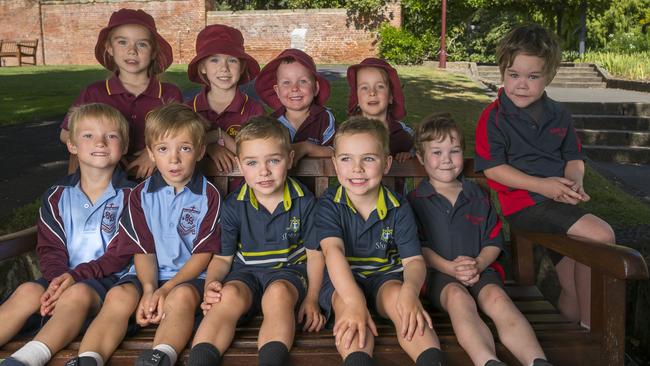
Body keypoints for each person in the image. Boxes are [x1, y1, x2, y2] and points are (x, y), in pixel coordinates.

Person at [474, 23, 615, 328]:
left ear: (549, 76)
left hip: (558, 204)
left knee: (572, 277)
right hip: (524, 205)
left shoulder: (559, 114)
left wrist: (574, 182)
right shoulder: (494, 117)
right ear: (502, 72)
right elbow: (493, 167)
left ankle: (575, 340)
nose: (521, 85)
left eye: (532, 76)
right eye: (514, 75)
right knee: (602, 236)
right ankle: (594, 337)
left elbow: (574, 157)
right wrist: (544, 186)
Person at [64, 103, 221, 366]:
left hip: (189, 277)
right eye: (163, 149)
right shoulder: (139, 196)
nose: (174, 159)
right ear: (151, 153)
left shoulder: (209, 196)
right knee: (118, 296)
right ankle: (88, 358)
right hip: (144, 274)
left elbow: (203, 254)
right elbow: (143, 250)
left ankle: (160, 355)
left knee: (180, 298)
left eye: (185, 148)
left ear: (200, 152)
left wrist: (166, 289)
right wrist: (149, 290)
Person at [409, 113, 552, 366]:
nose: (446, 160)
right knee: (458, 299)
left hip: (482, 270)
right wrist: (450, 268)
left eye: (453, 151)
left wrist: (478, 263)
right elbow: (418, 248)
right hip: (439, 276)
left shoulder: (477, 194)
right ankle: (487, 360)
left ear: (462, 153)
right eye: (437, 152)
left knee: (498, 299)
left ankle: (537, 360)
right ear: (420, 158)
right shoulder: (416, 201)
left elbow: (494, 240)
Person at [0, 103, 134, 366]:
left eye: (111, 135)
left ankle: (26, 360)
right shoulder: (56, 195)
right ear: (72, 145)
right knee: (28, 290)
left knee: (77, 294)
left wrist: (73, 278)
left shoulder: (132, 197)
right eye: (88, 135)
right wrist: (56, 280)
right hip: (61, 277)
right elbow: (50, 248)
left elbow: (120, 255)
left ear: (125, 146)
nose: (100, 142)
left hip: (109, 283)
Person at [187, 116, 325, 366]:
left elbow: (315, 255)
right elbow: (222, 258)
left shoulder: (304, 202)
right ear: (240, 164)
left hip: (288, 275)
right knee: (227, 296)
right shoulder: (233, 206)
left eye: (274, 160)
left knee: (278, 294)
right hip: (246, 273)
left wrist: (312, 298)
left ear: (290, 159)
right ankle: (200, 361)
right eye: (252, 162)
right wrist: (212, 286)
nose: (264, 171)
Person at [315, 117, 444, 366]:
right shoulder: (330, 205)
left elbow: (414, 260)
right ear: (335, 164)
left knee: (402, 302)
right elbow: (333, 253)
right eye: (346, 159)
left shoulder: (398, 206)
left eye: (369, 158)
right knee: (347, 309)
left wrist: (410, 291)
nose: (357, 168)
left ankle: (431, 361)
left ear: (386, 164)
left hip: (386, 277)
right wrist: (354, 302)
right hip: (344, 280)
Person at [59, 8, 183, 179]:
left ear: (154, 52)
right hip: (105, 181)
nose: (132, 50)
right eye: (122, 42)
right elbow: (66, 133)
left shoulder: (169, 94)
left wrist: (153, 153)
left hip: (158, 179)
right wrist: (105, 152)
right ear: (109, 48)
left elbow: (184, 134)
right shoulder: (94, 93)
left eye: (142, 44)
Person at [187, 24, 264, 173]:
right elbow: (178, 149)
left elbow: (258, 156)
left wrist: (218, 135)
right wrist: (210, 145)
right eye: (214, 60)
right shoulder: (189, 109)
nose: (224, 68)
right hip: (197, 192)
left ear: (242, 68)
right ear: (203, 67)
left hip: (243, 190)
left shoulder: (254, 110)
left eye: (232, 60)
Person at [255, 49, 336, 164]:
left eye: (303, 81)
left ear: (316, 88)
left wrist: (306, 148)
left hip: (316, 181)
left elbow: (337, 152)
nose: (294, 88)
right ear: (277, 91)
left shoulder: (325, 118)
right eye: (286, 82)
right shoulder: (271, 123)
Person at [347, 58, 414, 162]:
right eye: (364, 88)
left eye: (380, 86)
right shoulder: (348, 133)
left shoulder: (401, 135)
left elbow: (423, 151)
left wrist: (410, 154)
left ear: (391, 96)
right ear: (357, 98)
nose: (372, 92)